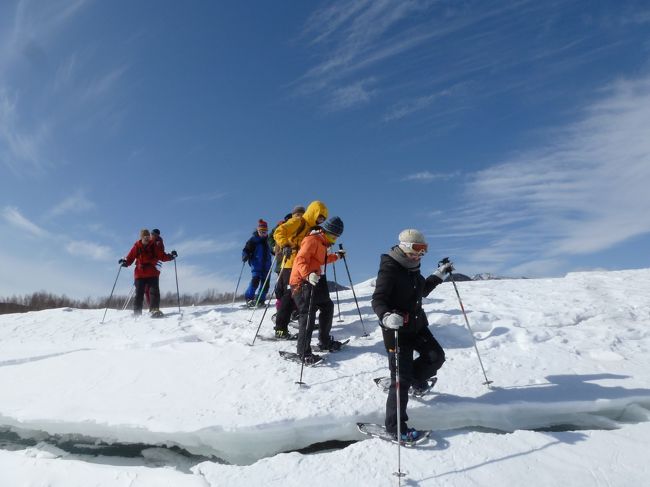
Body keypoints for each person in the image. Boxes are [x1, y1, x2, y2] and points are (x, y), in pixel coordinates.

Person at [371, 229, 453, 441]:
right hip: (396, 330)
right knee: (400, 380)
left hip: (417, 325)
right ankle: (395, 427)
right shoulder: (390, 269)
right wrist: (386, 316)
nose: (419, 256)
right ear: (405, 247)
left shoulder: (412, 267)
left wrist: (439, 274)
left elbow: (421, 290)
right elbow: (378, 299)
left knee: (436, 357)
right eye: (416, 251)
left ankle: (412, 382)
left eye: (422, 252)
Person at [290, 216, 346, 364]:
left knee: (327, 306)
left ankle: (324, 341)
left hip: (315, 279)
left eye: (337, 236)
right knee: (308, 314)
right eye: (334, 235)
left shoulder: (322, 242)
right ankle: (303, 352)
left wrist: (337, 256)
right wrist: (307, 275)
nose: (334, 239)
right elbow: (300, 259)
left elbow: (322, 260)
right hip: (301, 281)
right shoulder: (311, 240)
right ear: (325, 231)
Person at [272, 202, 327, 339]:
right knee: (290, 296)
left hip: (302, 266)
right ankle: (280, 328)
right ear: (314, 212)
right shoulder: (298, 221)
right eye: (320, 217)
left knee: (301, 295)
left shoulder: (312, 228)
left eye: (323, 219)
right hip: (290, 264)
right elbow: (279, 231)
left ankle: (304, 321)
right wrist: (284, 244)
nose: (321, 221)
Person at [120, 229, 177, 317]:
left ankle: (154, 311)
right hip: (140, 274)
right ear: (141, 237)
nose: (146, 238)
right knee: (139, 293)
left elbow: (162, 256)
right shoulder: (137, 246)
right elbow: (130, 257)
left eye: (147, 236)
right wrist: (125, 262)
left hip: (152, 273)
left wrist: (171, 256)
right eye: (144, 237)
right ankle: (137, 313)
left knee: (154, 292)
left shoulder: (154, 246)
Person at [242, 219, 273, 307]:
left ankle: (260, 300)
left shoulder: (269, 241)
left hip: (267, 266)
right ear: (258, 231)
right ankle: (249, 298)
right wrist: (245, 255)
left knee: (265, 284)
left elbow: (273, 250)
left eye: (265, 232)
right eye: (261, 231)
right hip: (256, 265)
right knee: (255, 281)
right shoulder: (253, 240)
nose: (263, 234)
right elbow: (246, 249)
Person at [144, 228, 165, 309]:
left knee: (152, 289)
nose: (152, 236)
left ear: (157, 235)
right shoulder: (149, 241)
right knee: (146, 289)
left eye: (154, 235)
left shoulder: (159, 243)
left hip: (154, 268)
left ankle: (154, 308)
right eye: (152, 234)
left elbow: (160, 255)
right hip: (146, 268)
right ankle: (151, 307)